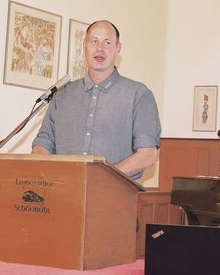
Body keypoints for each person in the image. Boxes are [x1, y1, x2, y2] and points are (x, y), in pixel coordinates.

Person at [32, 20, 161, 179]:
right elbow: (43, 144)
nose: (100, 48)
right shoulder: (62, 95)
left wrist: (102, 178)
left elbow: (147, 154)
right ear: (84, 45)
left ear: (118, 48)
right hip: (64, 194)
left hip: (115, 197)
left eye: (107, 42)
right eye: (94, 41)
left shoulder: (139, 95)